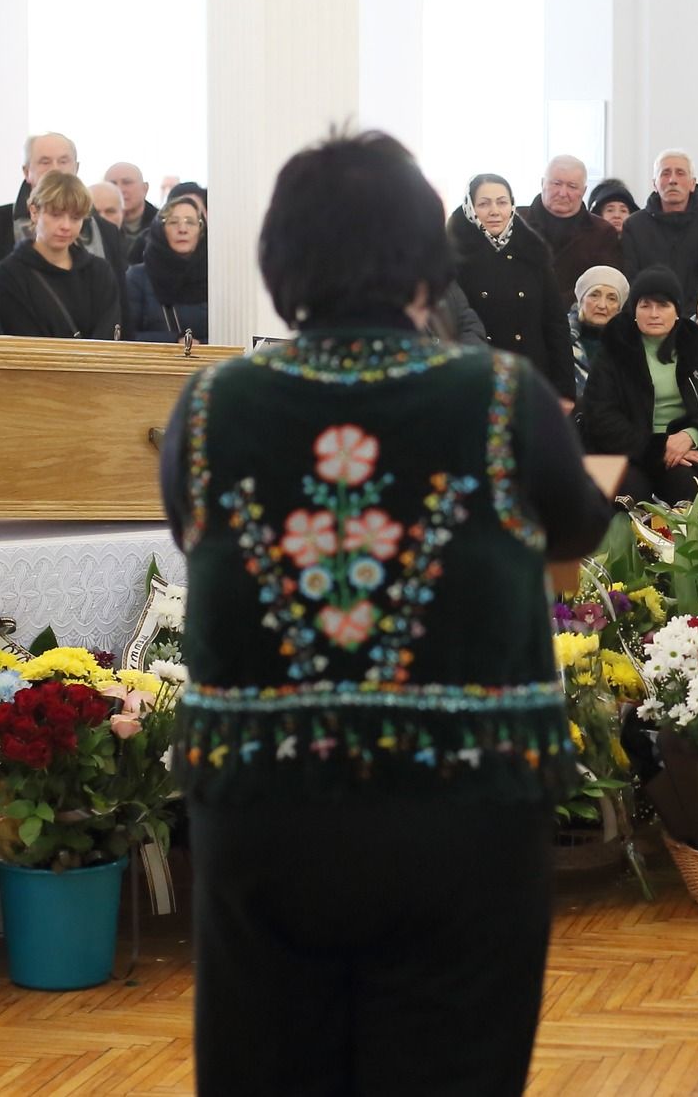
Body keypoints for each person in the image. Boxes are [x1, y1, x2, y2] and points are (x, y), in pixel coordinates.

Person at [159, 128, 612, 1096]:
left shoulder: (211, 404)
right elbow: (580, 522)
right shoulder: (499, 396)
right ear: (424, 258)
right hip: (463, 816)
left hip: (265, 814)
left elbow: (192, 532)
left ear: (280, 259)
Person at [578, 266, 698, 504]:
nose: (654, 314)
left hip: (681, 450)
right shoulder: (615, 348)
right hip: (625, 450)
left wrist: (690, 436)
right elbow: (601, 417)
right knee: (628, 495)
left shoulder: (694, 348)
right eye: (645, 306)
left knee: (689, 490)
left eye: (663, 306)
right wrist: (659, 447)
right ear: (634, 310)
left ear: (677, 311)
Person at [448, 174, 575, 399]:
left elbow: (555, 324)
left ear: (512, 204)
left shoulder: (533, 252)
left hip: (531, 375)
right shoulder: (454, 258)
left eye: (502, 202)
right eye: (484, 204)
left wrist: (564, 390)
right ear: (470, 208)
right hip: (477, 378)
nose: (494, 211)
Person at [0, 131, 127, 279]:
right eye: (45, 162)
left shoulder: (106, 231)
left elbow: (119, 295)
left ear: (76, 168)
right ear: (26, 172)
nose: (55, 169)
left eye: (63, 161)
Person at [0, 170, 121, 339]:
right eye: (56, 215)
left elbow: (108, 332)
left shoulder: (99, 271)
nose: (66, 226)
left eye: (75, 218)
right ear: (34, 212)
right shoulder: (10, 273)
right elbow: (22, 337)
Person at [620, 150, 698, 297]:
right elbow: (631, 279)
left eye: (680, 173)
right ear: (655, 184)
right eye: (665, 173)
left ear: (693, 183)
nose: (672, 180)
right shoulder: (635, 226)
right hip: (652, 307)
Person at [518, 154, 623, 302]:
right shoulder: (516, 222)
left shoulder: (603, 233)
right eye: (556, 183)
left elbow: (603, 286)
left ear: (584, 191)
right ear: (542, 183)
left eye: (572, 186)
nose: (562, 193)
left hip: (577, 312)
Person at [125, 193, 209, 343]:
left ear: (201, 231)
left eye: (190, 222)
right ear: (161, 229)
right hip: (157, 357)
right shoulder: (137, 277)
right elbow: (127, 336)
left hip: (210, 357)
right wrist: (174, 341)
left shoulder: (214, 275)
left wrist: (202, 345)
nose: (182, 229)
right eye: (173, 222)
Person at [569, 265, 626, 398]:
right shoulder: (560, 340)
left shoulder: (630, 346)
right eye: (594, 295)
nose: (602, 305)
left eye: (611, 298)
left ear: (619, 308)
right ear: (581, 301)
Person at [106, 161, 157, 261]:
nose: (120, 189)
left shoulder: (162, 226)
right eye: (113, 184)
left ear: (145, 188)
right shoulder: (92, 226)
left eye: (127, 183)